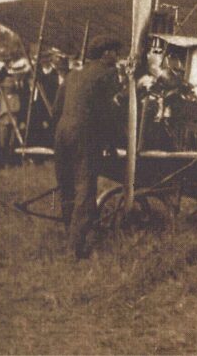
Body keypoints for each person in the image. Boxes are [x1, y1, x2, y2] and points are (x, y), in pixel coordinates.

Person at [52, 36, 124, 259]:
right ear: (105, 54)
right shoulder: (108, 74)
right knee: (85, 187)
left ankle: (70, 234)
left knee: (67, 185)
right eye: (114, 51)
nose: (117, 56)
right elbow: (108, 114)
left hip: (62, 132)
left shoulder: (74, 74)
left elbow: (56, 109)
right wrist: (112, 144)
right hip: (85, 134)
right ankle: (75, 248)